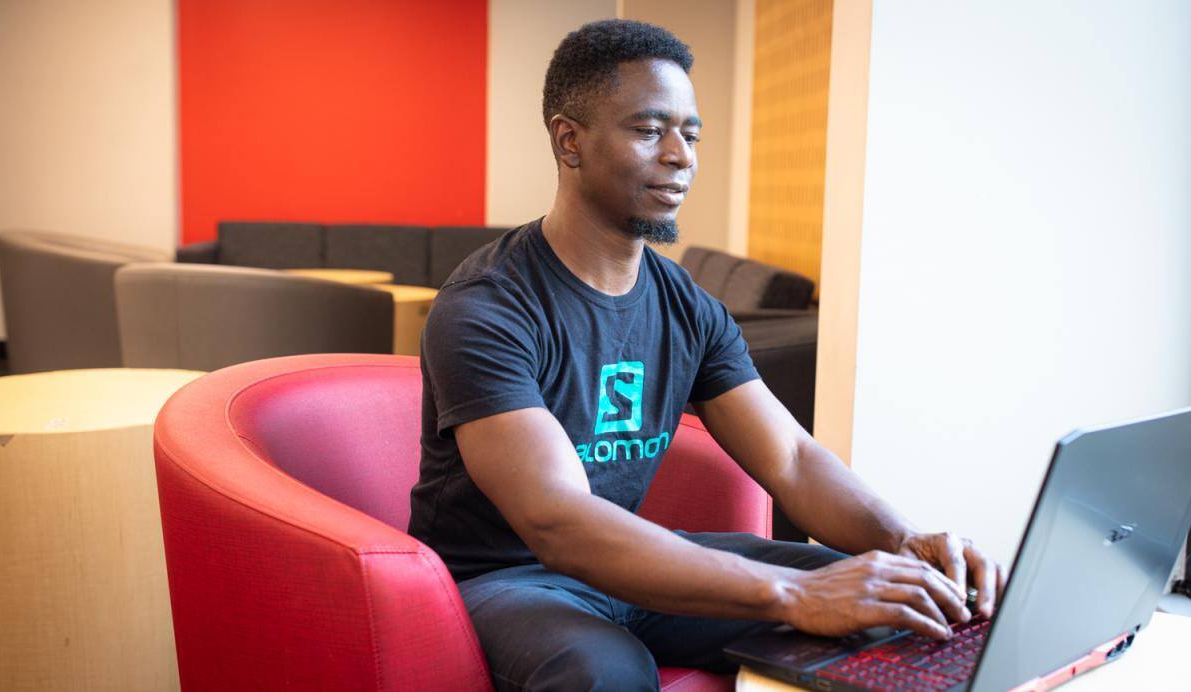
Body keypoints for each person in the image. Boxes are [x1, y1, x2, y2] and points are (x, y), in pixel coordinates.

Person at [408, 18, 1004, 691]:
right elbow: (558, 521)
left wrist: (904, 544)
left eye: (690, 134)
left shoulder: (684, 304)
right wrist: (790, 596)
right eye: (648, 130)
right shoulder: (487, 305)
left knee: (900, 603)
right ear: (569, 141)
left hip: (630, 563)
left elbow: (793, 460)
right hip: (506, 578)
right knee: (603, 671)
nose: (680, 155)